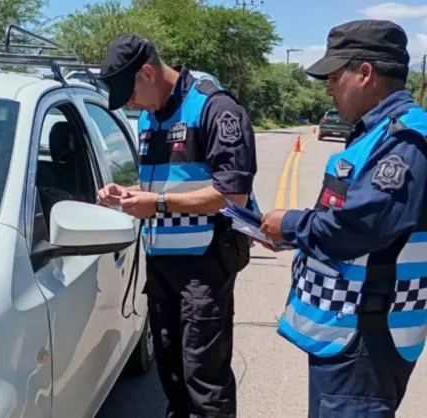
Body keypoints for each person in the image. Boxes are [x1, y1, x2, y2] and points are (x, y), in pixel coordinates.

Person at [259, 19, 427, 417]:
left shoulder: (405, 141)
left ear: (365, 73)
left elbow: (362, 226)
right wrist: (294, 236)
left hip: (367, 338)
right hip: (349, 332)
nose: (328, 88)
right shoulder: (374, 132)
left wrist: (291, 225)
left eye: (334, 77)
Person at [96, 34, 257, 418]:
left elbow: (233, 194)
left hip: (204, 266)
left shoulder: (214, 108)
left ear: (147, 73)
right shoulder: (150, 115)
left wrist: (158, 204)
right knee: (171, 373)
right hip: (162, 265)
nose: (129, 106)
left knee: (204, 380)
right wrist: (129, 193)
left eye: (128, 95)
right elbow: (165, 185)